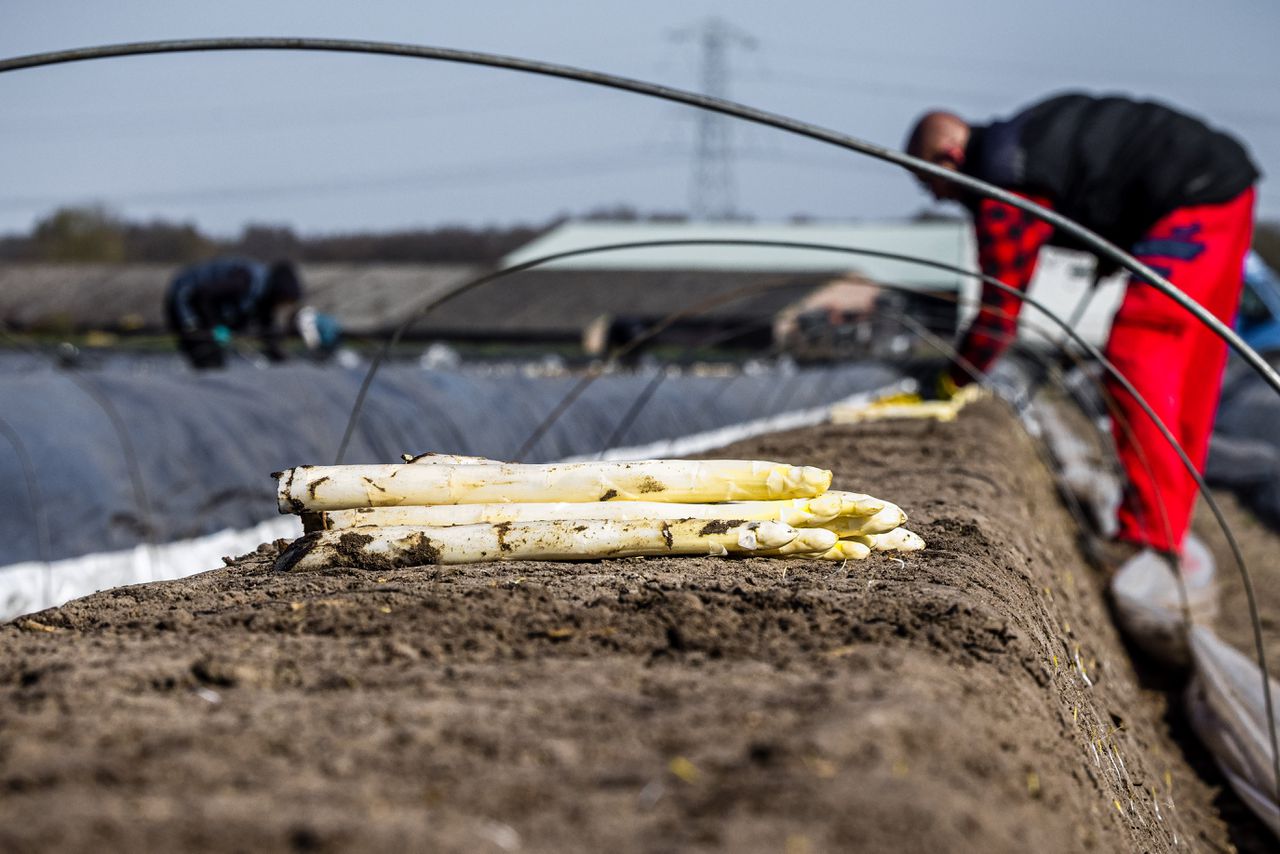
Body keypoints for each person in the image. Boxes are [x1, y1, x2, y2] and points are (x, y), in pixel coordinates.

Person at [904, 93, 1260, 580]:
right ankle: (1166, 529)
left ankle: (1149, 539)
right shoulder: (1021, 144)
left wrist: (954, 380)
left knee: (1138, 352)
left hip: (1192, 192)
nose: (938, 197)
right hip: (1223, 184)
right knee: (1191, 366)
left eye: (932, 183)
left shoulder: (1004, 185)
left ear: (949, 157)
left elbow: (999, 309)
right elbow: (1104, 170)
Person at [165, 258, 303, 369]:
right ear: (279, 292)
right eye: (284, 300)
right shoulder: (245, 281)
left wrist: (281, 358)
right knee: (208, 358)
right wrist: (216, 327)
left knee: (214, 357)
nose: (283, 306)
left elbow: (266, 331)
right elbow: (203, 295)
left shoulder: (265, 300)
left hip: (204, 306)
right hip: (185, 300)